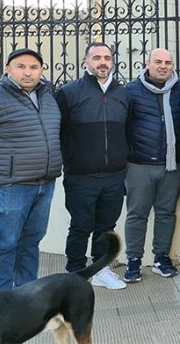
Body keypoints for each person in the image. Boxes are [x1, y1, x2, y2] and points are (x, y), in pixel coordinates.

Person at [0, 49, 61, 292]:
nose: (28, 72)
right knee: (5, 243)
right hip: (10, 186)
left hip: (44, 184)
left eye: (34, 67)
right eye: (21, 66)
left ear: (41, 70)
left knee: (30, 242)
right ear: (8, 69)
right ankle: (0, 299)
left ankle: (27, 295)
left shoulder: (48, 97)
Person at [56, 42, 130, 290]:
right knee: (80, 226)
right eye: (96, 57)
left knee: (105, 227)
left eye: (107, 57)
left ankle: (100, 270)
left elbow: (129, 130)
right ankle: (75, 274)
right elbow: (57, 131)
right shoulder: (69, 92)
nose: (103, 62)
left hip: (114, 176)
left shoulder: (123, 93)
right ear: (86, 62)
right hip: (81, 176)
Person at [123, 48, 180, 283]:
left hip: (173, 163)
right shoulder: (131, 91)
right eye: (158, 61)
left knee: (166, 213)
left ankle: (161, 258)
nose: (163, 66)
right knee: (137, 214)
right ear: (147, 63)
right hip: (139, 164)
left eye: (168, 62)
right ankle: (133, 261)